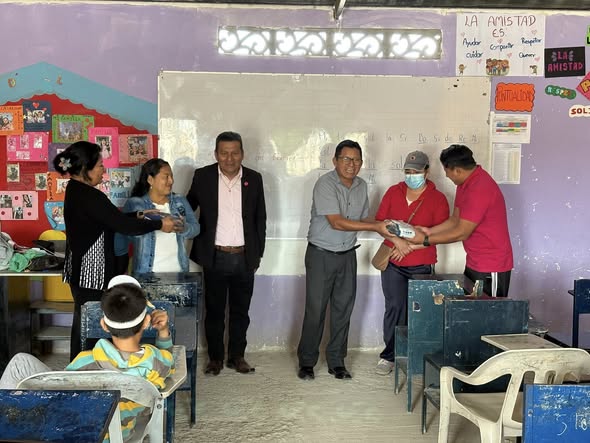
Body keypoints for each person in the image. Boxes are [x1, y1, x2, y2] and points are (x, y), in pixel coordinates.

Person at [0, 276, 174, 443]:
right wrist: (163, 331)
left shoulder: (84, 361)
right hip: (121, 435)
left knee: (20, 363)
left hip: (74, 431)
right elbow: (169, 359)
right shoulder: (156, 364)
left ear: (104, 325)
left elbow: (64, 390)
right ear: (146, 322)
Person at [52, 141, 179, 359]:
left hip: (82, 273)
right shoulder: (89, 196)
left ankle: (80, 368)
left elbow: (110, 220)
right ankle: (85, 371)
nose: (103, 170)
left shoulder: (76, 190)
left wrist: (139, 215)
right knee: (90, 329)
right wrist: (159, 224)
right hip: (91, 275)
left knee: (84, 325)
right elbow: (123, 226)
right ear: (85, 169)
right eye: (100, 166)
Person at [297, 139, 393, 381]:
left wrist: (386, 225)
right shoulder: (325, 184)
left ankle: (337, 361)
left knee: (343, 310)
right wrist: (376, 227)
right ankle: (307, 362)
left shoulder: (361, 186)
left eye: (357, 160)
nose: (352, 164)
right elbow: (337, 222)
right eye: (347, 159)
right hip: (321, 255)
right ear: (335, 161)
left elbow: (362, 219)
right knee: (316, 311)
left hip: (347, 255)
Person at [186, 131, 266, 375]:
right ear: (216, 154)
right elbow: (187, 208)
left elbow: (260, 219)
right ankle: (215, 359)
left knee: (241, 312)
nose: (229, 159)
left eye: (234, 153)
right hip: (215, 256)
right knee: (214, 312)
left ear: (242, 154)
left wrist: (257, 254)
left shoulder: (254, 178)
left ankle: (237, 356)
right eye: (224, 153)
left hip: (244, 256)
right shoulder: (203, 177)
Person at [373, 150, 449, 375]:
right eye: (408, 171)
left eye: (416, 172)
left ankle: (416, 355)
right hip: (392, 263)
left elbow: (440, 234)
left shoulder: (438, 199)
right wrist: (397, 242)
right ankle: (389, 356)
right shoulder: (393, 192)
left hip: (421, 263)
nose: (411, 175)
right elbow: (380, 223)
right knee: (394, 307)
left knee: (420, 311)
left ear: (427, 171)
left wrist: (410, 247)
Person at [408, 144, 513, 297]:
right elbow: (455, 220)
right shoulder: (463, 184)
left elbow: (462, 232)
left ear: (457, 170)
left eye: (447, 171)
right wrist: (429, 231)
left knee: (490, 310)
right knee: (470, 309)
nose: (446, 175)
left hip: (491, 265)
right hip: (474, 261)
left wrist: (425, 240)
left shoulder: (480, 187)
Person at [115, 158, 200, 274]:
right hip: (145, 273)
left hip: (179, 272)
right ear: (150, 179)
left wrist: (183, 228)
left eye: (171, 176)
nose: (171, 181)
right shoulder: (135, 204)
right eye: (166, 176)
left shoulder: (180, 200)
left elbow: (196, 228)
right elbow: (121, 234)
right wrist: (120, 267)